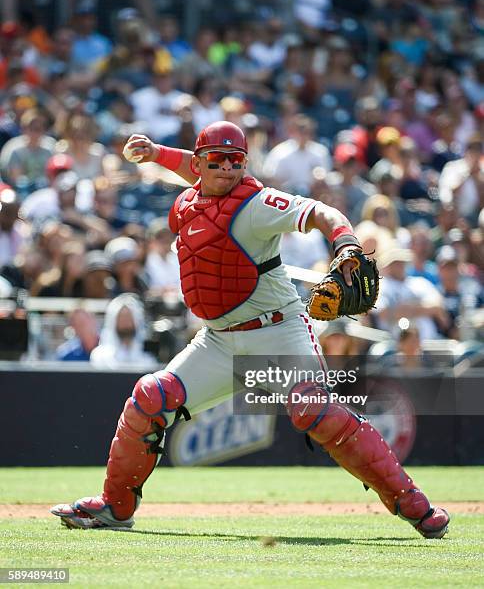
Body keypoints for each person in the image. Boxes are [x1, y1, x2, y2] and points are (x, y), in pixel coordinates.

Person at [51, 121, 449, 539]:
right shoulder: (194, 196)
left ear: (245, 164)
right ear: (201, 163)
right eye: (216, 160)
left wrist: (346, 242)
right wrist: (155, 154)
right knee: (150, 399)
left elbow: (320, 212)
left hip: (277, 333)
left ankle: (415, 506)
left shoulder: (256, 202)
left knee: (313, 410)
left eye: (235, 161)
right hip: (218, 340)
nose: (226, 169)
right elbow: (195, 168)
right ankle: (115, 506)